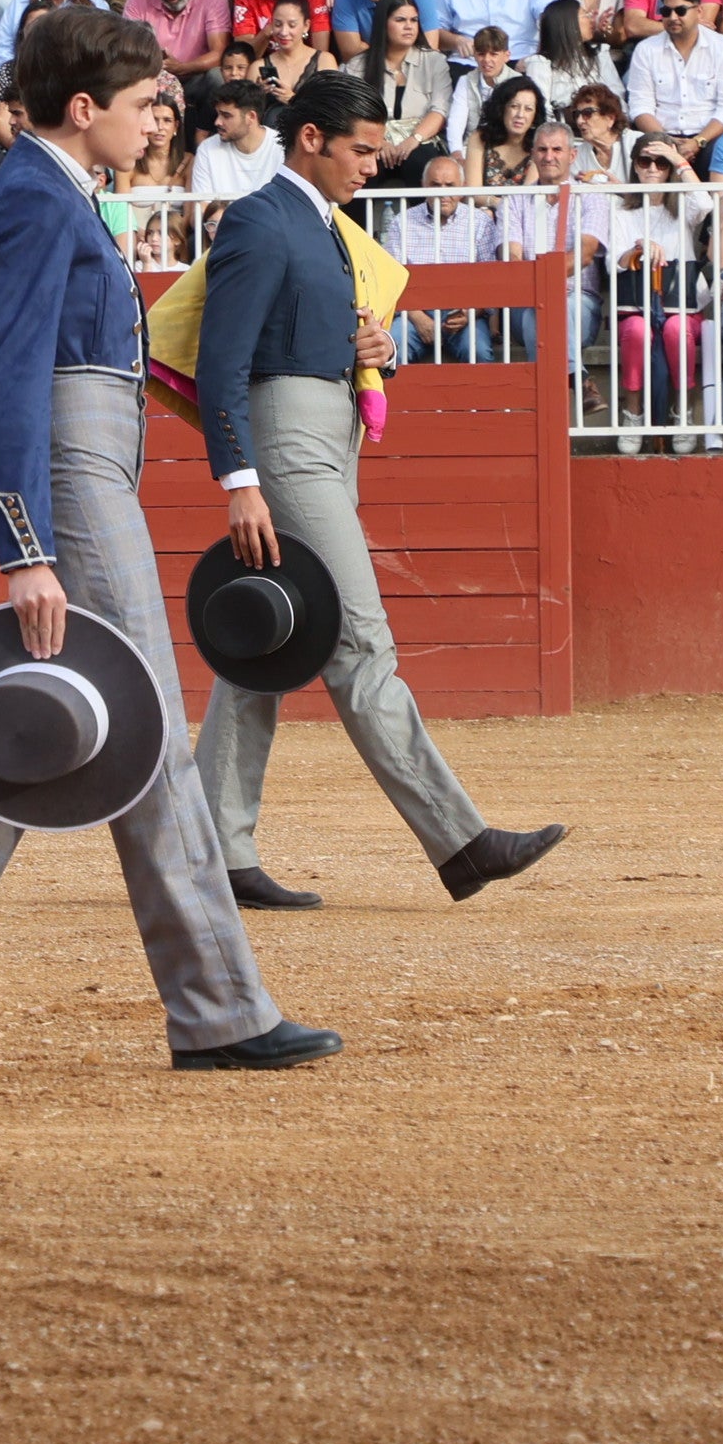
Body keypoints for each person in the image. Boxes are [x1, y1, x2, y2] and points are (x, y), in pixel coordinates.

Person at [0, 10, 331, 1079]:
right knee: (148, 728)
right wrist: (23, 545)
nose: (158, 120)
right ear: (85, 108)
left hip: (92, 465)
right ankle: (220, 1009)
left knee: (53, 736)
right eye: (142, 105)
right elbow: (10, 381)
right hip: (74, 483)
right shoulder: (36, 198)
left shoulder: (55, 192)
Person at [184, 69, 565, 905]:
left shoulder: (323, 228)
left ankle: (212, 850)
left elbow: (307, 332)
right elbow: (222, 361)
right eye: (359, 150)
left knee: (267, 644)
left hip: (327, 433)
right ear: (311, 140)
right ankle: (461, 841)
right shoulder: (258, 218)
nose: (373, 165)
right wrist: (239, 478)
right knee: (358, 641)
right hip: (287, 440)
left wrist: (374, 347)